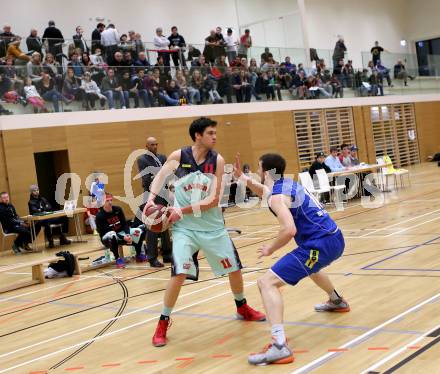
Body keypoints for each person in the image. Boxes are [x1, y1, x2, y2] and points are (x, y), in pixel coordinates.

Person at [144, 117, 266, 347]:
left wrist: (182, 209)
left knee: (235, 268)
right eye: (210, 133)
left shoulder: (217, 160)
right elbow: (158, 180)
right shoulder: (178, 157)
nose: (215, 137)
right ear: (197, 135)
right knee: (179, 273)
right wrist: (150, 203)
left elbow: (213, 200)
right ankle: (163, 322)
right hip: (185, 229)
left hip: (212, 227)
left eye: (215, 133)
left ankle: (242, 307)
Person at [233, 153, 349, 365]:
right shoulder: (286, 184)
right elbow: (264, 191)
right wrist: (242, 178)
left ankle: (279, 346)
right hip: (334, 238)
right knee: (311, 268)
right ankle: (336, 300)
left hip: (319, 244)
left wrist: (270, 247)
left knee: (266, 282)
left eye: (259, 169)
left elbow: (289, 229)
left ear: (265, 172)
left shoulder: (277, 196)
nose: (258, 172)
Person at [137, 137, 172, 267]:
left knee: (165, 223)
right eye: (152, 144)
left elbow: (167, 174)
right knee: (152, 227)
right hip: (150, 196)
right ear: (146, 146)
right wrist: (160, 175)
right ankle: (152, 257)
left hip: (163, 194)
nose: (155, 146)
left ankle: (167, 254)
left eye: (156, 144)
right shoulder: (142, 159)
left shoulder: (163, 157)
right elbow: (146, 180)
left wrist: (159, 175)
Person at [96, 193, 146, 268]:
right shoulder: (100, 216)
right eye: (107, 201)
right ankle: (117, 258)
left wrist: (128, 234)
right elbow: (108, 231)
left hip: (121, 233)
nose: (110, 202)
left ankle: (138, 254)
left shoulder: (118, 209)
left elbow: (124, 224)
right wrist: (123, 237)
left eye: (111, 200)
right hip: (107, 237)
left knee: (139, 230)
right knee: (112, 234)